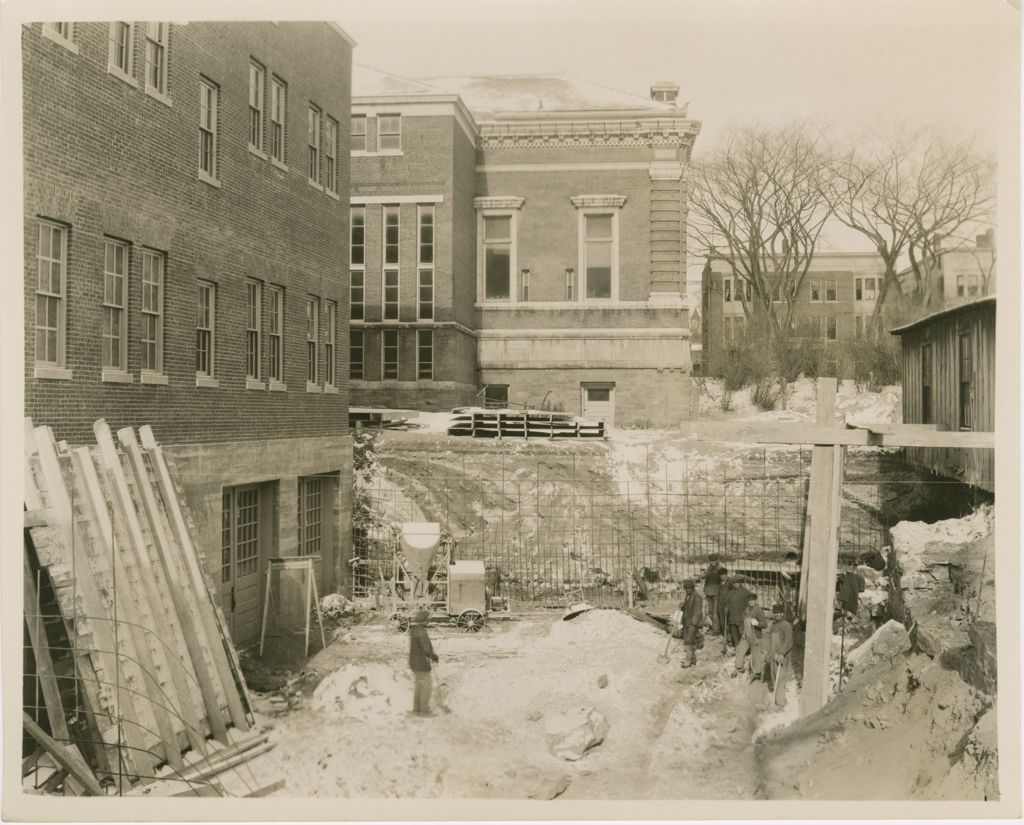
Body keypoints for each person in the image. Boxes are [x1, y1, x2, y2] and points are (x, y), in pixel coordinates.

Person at [408, 607, 439, 716]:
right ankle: (424, 710)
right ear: (424, 620)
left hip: (413, 662)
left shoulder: (414, 630)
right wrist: (434, 656)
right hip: (421, 663)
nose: (429, 621)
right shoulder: (422, 631)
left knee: (418, 685)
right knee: (427, 686)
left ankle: (416, 709)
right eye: (428, 619)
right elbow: (426, 649)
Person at [734, 592, 767, 679]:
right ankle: (739, 667)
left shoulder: (758, 610)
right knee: (739, 649)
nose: (751, 602)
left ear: (755, 601)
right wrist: (743, 632)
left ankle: (757, 672)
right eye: (749, 601)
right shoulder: (746, 610)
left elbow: (765, 624)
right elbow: (743, 622)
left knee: (756, 654)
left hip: (755, 635)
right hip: (746, 635)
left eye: (753, 600)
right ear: (747, 601)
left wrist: (757, 623)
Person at [769, 603, 794, 707]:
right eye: (775, 613)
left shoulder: (786, 625)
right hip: (773, 655)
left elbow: (789, 641)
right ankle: (775, 698)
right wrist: (770, 654)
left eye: (779, 613)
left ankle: (780, 702)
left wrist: (782, 653)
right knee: (774, 676)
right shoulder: (773, 625)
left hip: (782, 657)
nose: (777, 615)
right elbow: (770, 640)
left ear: (782, 613)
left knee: (781, 678)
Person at [679, 579, 703, 668]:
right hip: (687, 622)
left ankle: (688, 661)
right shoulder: (688, 596)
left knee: (688, 641)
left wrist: (693, 623)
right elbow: (688, 608)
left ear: (692, 588)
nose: (687, 590)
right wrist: (683, 606)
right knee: (691, 641)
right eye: (686, 588)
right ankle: (692, 659)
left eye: (689, 588)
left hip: (692, 623)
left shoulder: (697, 597)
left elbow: (698, 611)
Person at [724, 577, 751, 650]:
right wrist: (726, 608)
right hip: (732, 617)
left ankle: (746, 649)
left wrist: (748, 610)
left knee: (742, 633)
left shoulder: (745, 592)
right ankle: (737, 646)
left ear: (740, 583)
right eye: (734, 583)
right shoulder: (731, 593)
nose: (735, 585)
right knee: (734, 633)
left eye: (737, 583)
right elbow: (727, 603)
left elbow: (750, 603)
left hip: (741, 617)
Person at [703, 555, 725, 636]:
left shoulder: (720, 568)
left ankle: (717, 630)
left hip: (716, 593)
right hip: (709, 593)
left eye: (714, 560)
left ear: (716, 560)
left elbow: (723, 581)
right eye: (711, 561)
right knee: (711, 612)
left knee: (715, 613)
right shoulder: (709, 569)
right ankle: (714, 627)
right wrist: (705, 590)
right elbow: (706, 580)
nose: (712, 562)